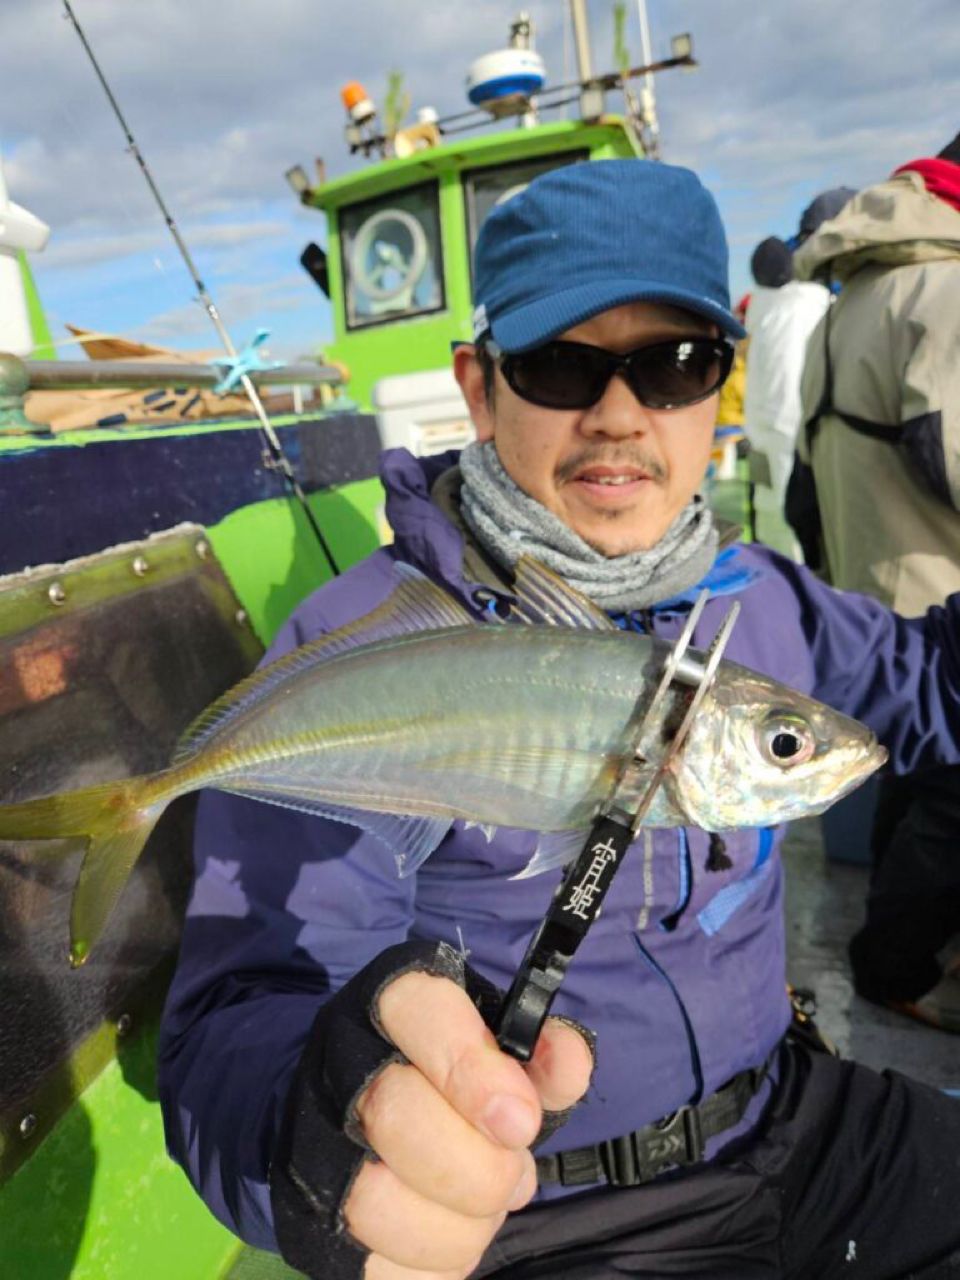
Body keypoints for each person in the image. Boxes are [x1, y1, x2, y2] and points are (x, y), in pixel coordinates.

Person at [158, 160, 960, 1280]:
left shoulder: (761, 593)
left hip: (794, 1123)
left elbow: (930, 682)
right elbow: (245, 1014)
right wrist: (321, 1125)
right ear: (478, 387)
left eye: (674, 365)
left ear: (721, 383)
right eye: (559, 364)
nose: (620, 413)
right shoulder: (360, 646)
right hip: (536, 1215)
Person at [793, 133, 960, 1034]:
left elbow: (804, 477)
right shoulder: (943, 287)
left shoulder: (845, 301)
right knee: (951, 791)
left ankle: (890, 951)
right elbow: (949, 449)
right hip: (941, 589)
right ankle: (895, 965)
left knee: (910, 776)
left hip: (869, 584)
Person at [742, 187, 856, 559]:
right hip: (794, 452)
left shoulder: (772, 300)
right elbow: (791, 404)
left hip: (765, 441)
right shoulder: (810, 305)